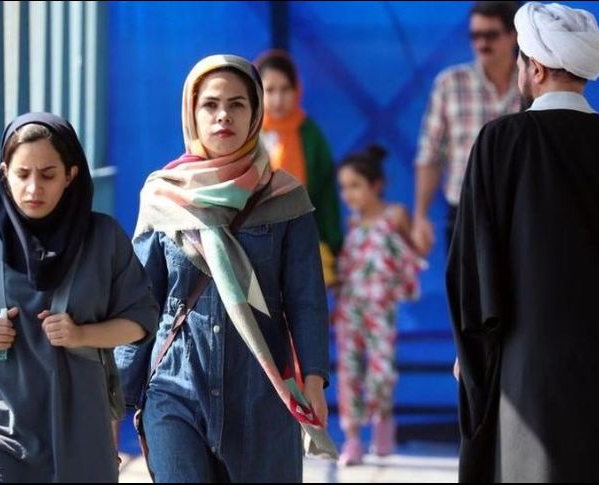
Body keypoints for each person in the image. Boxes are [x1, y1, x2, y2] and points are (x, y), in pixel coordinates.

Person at [447, 2, 599, 481]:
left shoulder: (500, 142)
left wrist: (472, 352)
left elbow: (475, 265)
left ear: (534, 69)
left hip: (531, 373)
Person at [126, 54, 333, 482]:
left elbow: (305, 299)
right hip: (176, 387)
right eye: (211, 105)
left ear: (255, 111)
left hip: (262, 393)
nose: (224, 116)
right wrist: (115, 399)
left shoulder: (286, 199)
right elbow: (139, 303)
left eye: (237, 104)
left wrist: (313, 379)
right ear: (192, 113)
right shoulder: (162, 197)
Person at [0, 112, 159, 483]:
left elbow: (142, 318)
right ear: (5, 173)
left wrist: (82, 335)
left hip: (79, 430)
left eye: (48, 175)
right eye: (22, 175)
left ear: (71, 175)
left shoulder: (104, 239)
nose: (34, 189)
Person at [333, 145, 423, 466]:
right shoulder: (353, 225)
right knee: (350, 372)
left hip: (380, 309)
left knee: (381, 371)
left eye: (355, 186)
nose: (348, 195)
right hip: (350, 310)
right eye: (343, 188)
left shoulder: (393, 216)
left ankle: (382, 422)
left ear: (376, 185)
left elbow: (416, 253)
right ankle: (353, 438)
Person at [412, 1, 521, 255]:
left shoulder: (533, 81)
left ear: (513, 36)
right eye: (475, 35)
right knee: (468, 293)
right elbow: (430, 153)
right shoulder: (450, 83)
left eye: (491, 35)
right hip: (466, 209)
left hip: (521, 209)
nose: (482, 43)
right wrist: (420, 216)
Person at [255, 49, 343, 286]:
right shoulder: (247, 135)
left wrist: (333, 244)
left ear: (297, 90)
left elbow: (326, 196)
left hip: (304, 242)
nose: (278, 99)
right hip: (253, 245)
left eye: (285, 89)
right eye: (270, 90)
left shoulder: (310, 134)